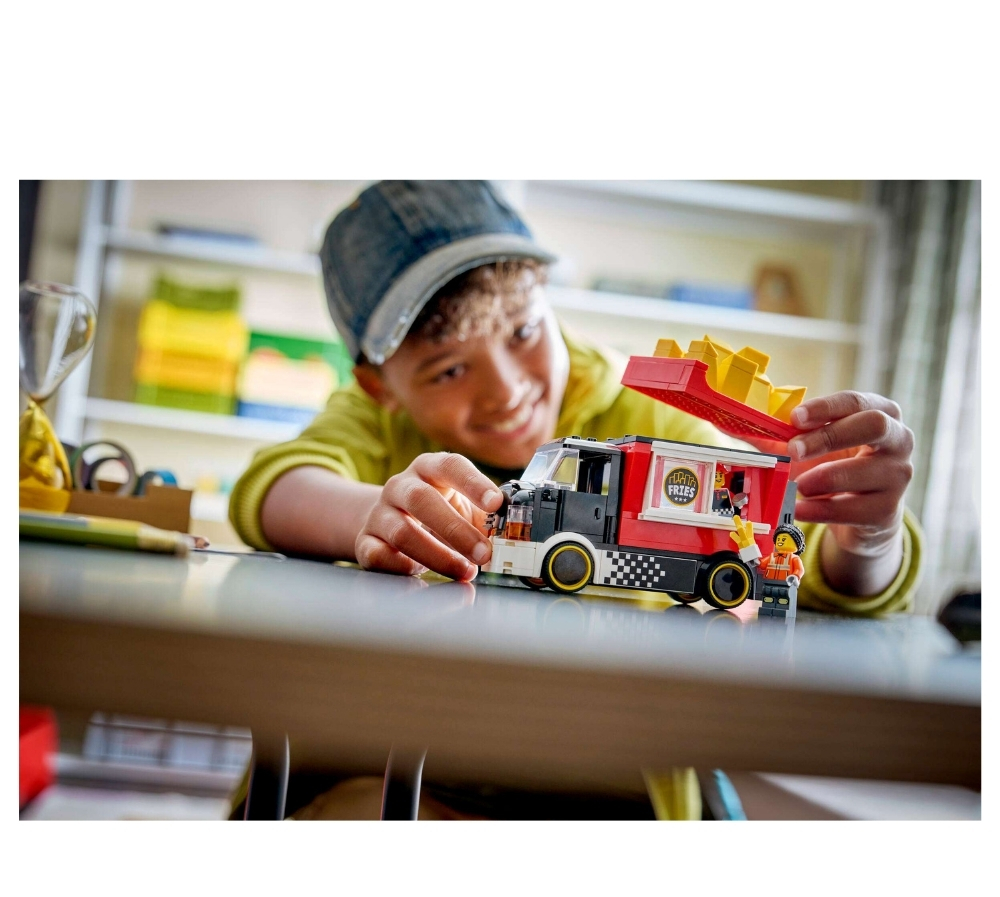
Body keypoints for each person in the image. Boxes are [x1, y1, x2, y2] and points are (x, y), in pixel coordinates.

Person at [230, 180, 921, 618]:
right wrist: (370, 514)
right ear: (381, 387)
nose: (507, 390)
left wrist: (868, 535)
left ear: (548, 299)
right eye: (449, 370)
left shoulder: (645, 411)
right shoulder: (372, 421)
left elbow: (811, 563)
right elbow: (275, 486)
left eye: (522, 332)